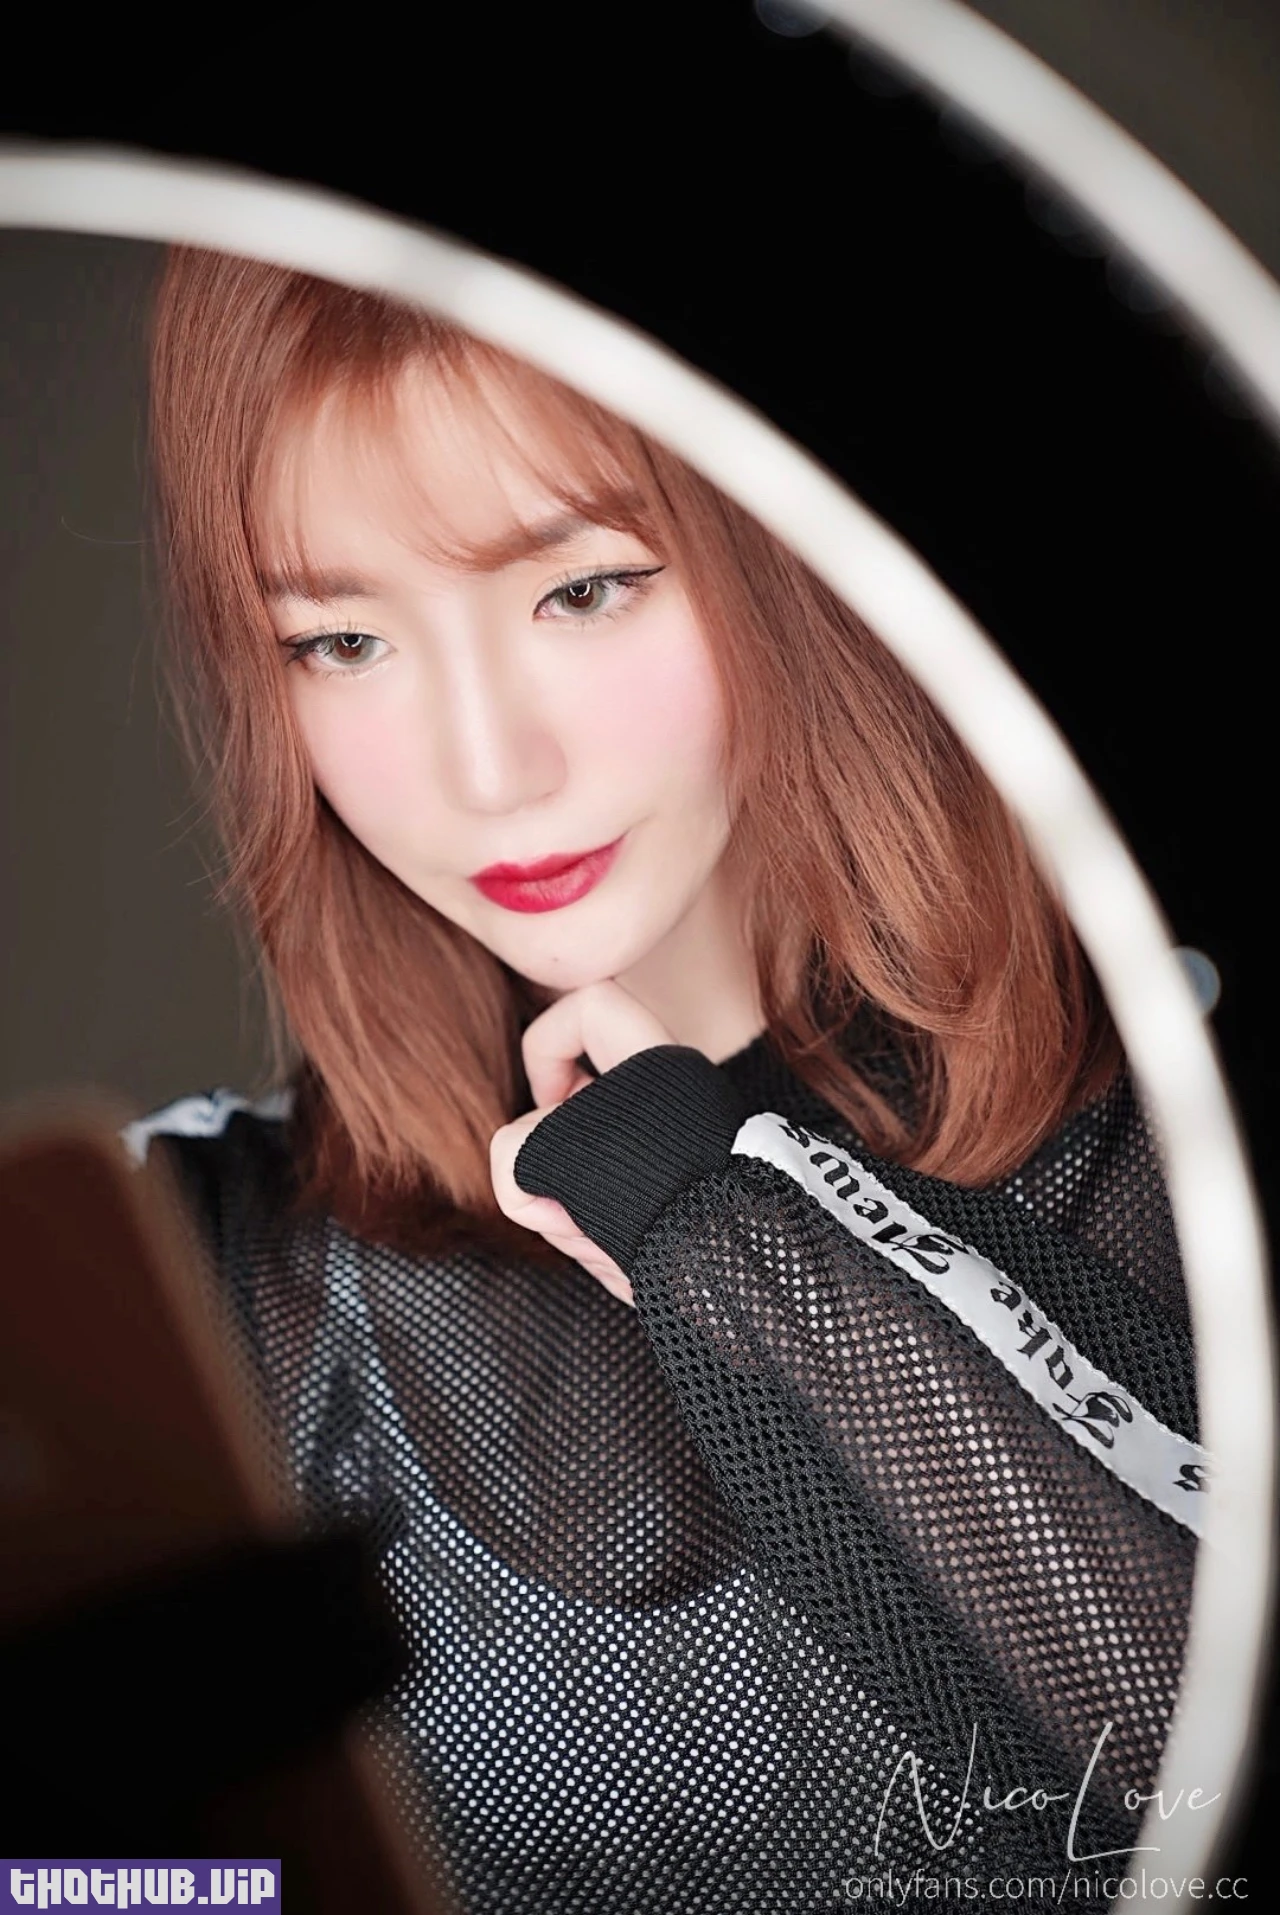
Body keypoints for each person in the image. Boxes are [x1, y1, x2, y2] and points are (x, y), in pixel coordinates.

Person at [125, 246, 1204, 1913]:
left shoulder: (1194, 1135)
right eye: (339, 639)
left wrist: (715, 1212)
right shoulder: (190, 1263)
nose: (487, 768)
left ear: (799, 547)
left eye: (584, 590)